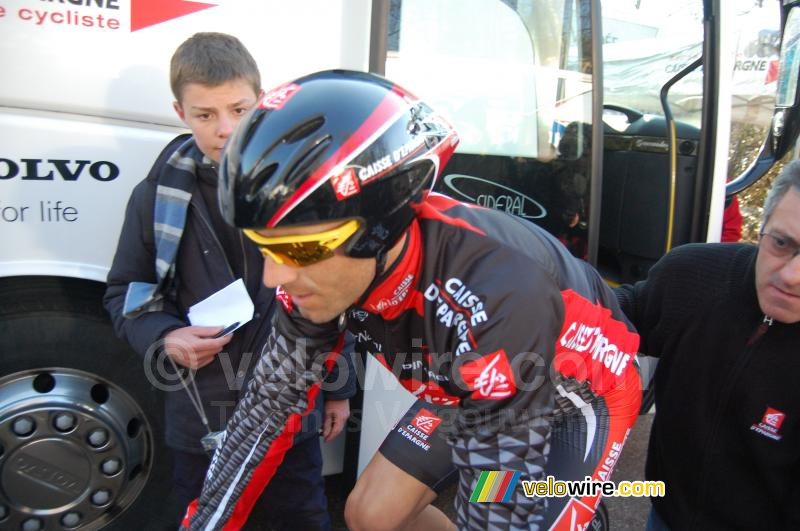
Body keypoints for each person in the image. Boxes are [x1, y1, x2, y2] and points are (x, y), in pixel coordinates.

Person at [181, 70, 642, 530]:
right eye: (265, 246)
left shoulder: (498, 291)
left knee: (506, 507)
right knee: (371, 516)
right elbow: (264, 413)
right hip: (467, 382)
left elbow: (496, 507)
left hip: (573, 397)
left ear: (379, 230)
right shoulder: (331, 276)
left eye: (299, 249)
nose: (274, 276)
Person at [103, 33, 354, 529]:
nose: (225, 129)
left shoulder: (301, 189)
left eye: (239, 110)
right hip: (201, 417)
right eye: (204, 115)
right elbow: (125, 293)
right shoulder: (154, 197)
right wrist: (164, 337)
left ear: (262, 102)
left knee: (299, 516)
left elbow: (334, 293)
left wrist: (339, 388)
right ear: (179, 111)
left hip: (291, 409)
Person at [615, 161, 800, 530]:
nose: (791, 276)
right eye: (782, 243)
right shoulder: (692, 275)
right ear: (761, 228)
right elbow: (613, 313)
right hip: (664, 516)